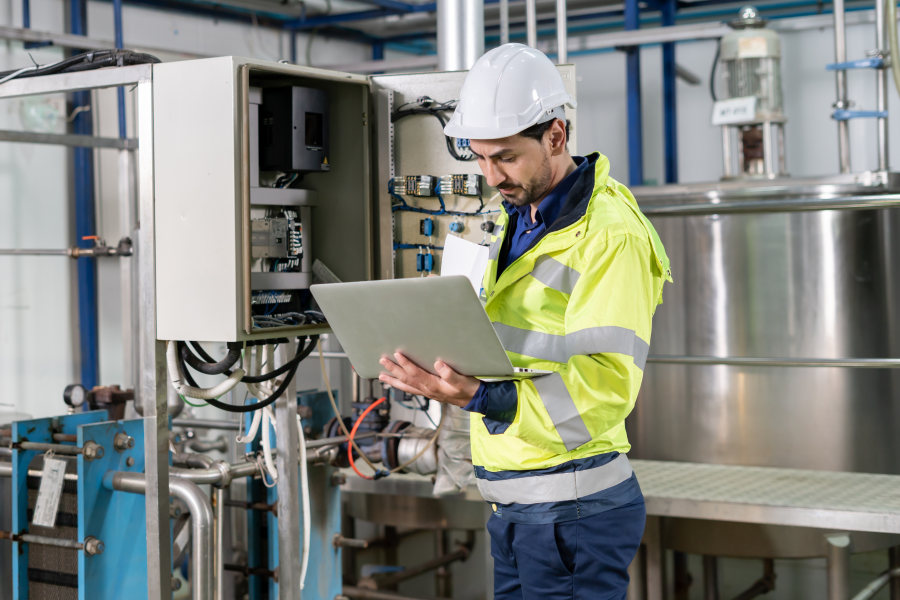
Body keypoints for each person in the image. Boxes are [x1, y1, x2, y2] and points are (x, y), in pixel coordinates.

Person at [378, 43, 672, 599]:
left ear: (556, 136)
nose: (492, 176)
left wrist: (483, 398)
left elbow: (607, 386)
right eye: (481, 158)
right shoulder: (518, 219)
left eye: (506, 157)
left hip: (572, 513)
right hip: (517, 507)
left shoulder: (607, 234)